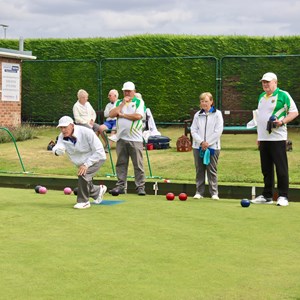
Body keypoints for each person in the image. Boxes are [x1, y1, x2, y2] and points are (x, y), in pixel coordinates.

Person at [251, 72, 298, 206]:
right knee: (266, 168)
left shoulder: (283, 95)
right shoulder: (261, 96)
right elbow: (260, 118)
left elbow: (294, 112)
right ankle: (267, 196)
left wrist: (282, 122)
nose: (265, 84)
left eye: (268, 82)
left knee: (281, 167)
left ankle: (283, 196)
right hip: (264, 138)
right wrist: (259, 137)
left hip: (278, 137)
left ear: (275, 82)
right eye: (263, 82)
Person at [52, 116, 107, 209]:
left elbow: (99, 151)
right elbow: (57, 147)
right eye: (61, 128)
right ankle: (97, 191)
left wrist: (86, 164)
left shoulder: (86, 132)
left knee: (83, 174)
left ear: (72, 125)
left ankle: (84, 201)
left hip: (97, 158)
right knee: (84, 177)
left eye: (65, 127)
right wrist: (57, 151)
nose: (63, 130)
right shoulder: (62, 136)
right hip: (81, 162)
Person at [108, 81, 146, 196]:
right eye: (125, 91)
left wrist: (123, 115)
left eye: (129, 91)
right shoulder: (119, 102)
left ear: (134, 91)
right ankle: (121, 186)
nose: (127, 93)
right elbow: (112, 114)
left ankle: (140, 187)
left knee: (138, 164)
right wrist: (121, 105)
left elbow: (138, 116)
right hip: (121, 138)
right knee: (121, 163)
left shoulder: (139, 102)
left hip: (135, 139)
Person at [190, 92, 224, 200]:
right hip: (198, 146)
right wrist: (201, 142)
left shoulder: (217, 114)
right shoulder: (197, 115)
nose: (204, 103)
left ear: (211, 102)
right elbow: (193, 130)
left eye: (206, 101)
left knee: (211, 169)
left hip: (213, 146)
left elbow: (218, 131)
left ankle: (214, 193)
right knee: (199, 169)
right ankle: (199, 192)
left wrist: (207, 143)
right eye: (202, 101)